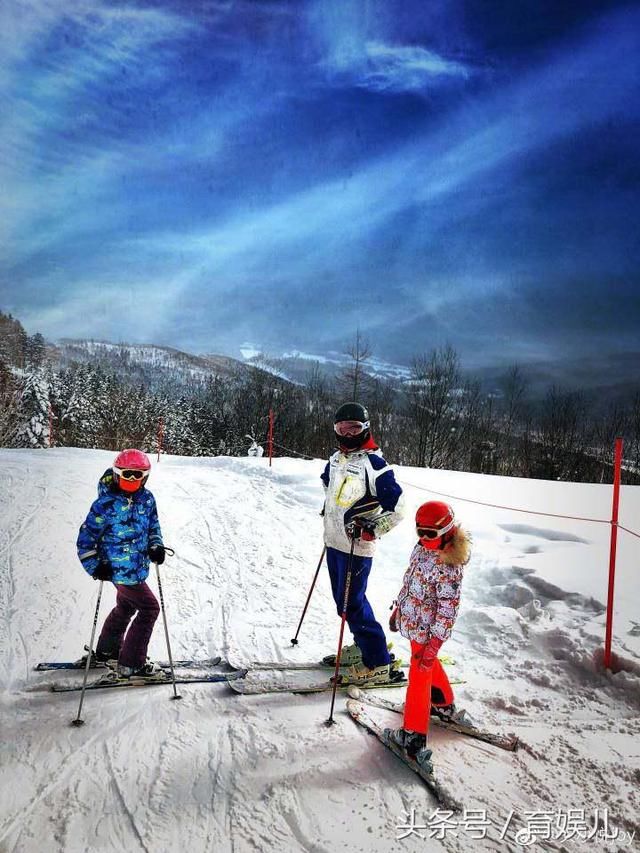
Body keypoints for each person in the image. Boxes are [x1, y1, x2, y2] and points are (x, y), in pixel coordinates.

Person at [321, 402, 405, 684]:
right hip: (334, 543)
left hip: (357, 548)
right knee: (342, 604)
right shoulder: (335, 460)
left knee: (352, 605)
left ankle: (378, 660)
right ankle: (363, 647)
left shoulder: (375, 466)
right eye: (341, 428)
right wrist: (331, 513)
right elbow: (327, 484)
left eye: (354, 428)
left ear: (365, 428)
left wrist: (373, 528)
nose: (347, 434)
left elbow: (399, 508)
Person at [386, 500, 470, 773]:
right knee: (425, 665)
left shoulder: (449, 567)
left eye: (430, 534)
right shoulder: (422, 549)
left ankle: (413, 736)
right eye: (419, 532)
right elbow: (410, 580)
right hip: (413, 623)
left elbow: (448, 612)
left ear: (446, 531)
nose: (423, 538)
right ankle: (443, 704)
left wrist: (435, 644)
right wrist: (398, 608)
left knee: (419, 676)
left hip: (428, 632)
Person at [76, 449, 166, 678]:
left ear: (145, 476)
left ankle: (108, 651)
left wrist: (156, 545)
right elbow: (85, 542)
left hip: (138, 569)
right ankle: (131, 663)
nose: (132, 479)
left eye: (138, 475)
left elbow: (153, 527)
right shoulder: (104, 505)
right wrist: (96, 566)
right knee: (150, 608)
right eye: (127, 474)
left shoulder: (147, 499)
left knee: (126, 607)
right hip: (117, 570)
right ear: (117, 474)